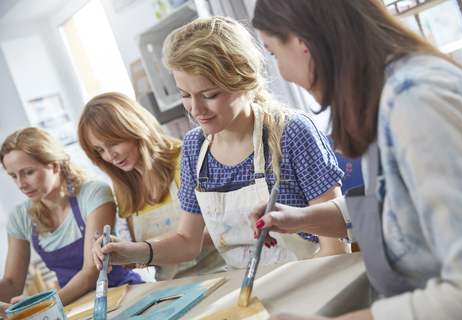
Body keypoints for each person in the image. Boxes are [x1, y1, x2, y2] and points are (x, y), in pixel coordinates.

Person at [248, 0, 462, 319]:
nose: (283, 73)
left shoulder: (415, 105)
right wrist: (302, 218)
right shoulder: (389, 93)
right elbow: (397, 202)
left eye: (274, 53)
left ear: (301, 40)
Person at [91, 16, 348, 273]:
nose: (196, 109)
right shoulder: (195, 147)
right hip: (244, 288)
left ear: (243, 79)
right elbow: (187, 241)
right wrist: (131, 251)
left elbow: (336, 248)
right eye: (185, 95)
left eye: (209, 95)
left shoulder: (291, 132)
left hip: (312, 278)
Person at [78, 92, 225, 281]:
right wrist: (115, 250)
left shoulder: (187, 158)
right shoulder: (124, 187)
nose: (109, 156)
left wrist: (144, 248)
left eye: (114, 143)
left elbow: (221, 228)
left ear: (135, 128)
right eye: (100, 150)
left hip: (220, 275)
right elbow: (140, 259)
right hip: (171, 287)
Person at [0, 127, 142, 317]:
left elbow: (91, 271)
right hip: (73, 307)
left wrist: (40, 305)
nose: (20, 184)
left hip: (124, 296)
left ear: (54, 165)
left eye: (28, 172)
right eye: (13, 176)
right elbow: (12, 283)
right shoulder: (20, 215)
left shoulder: (93, 193)